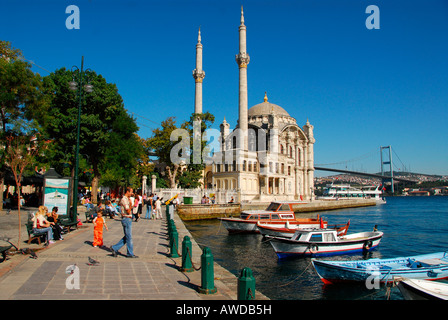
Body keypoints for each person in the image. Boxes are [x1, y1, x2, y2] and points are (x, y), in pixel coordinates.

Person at [110, 187, 138, 258]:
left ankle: (114, 248)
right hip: (126, 218)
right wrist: (132, 204)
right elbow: (128, 210)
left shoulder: (127, 199)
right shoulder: (124, 199)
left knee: (127, 236)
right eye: (131, 192)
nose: (132, 194)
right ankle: (130, 253)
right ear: (127, 192)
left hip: (127, 218)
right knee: (129, 237)